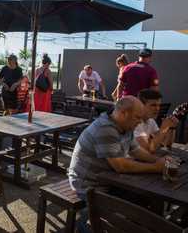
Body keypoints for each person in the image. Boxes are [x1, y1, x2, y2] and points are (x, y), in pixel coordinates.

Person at [69, 96, 166, 233]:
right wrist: (156, 168)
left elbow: (136, 151)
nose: (139, 122)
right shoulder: (105, 128)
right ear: (123, 113)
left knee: (144, 199)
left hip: (106, 179)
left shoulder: (126, 126)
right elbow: (120, 166)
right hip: (87, 183)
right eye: (137, 117)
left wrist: (157, 161)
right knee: (123, 207)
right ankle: (86, 223)